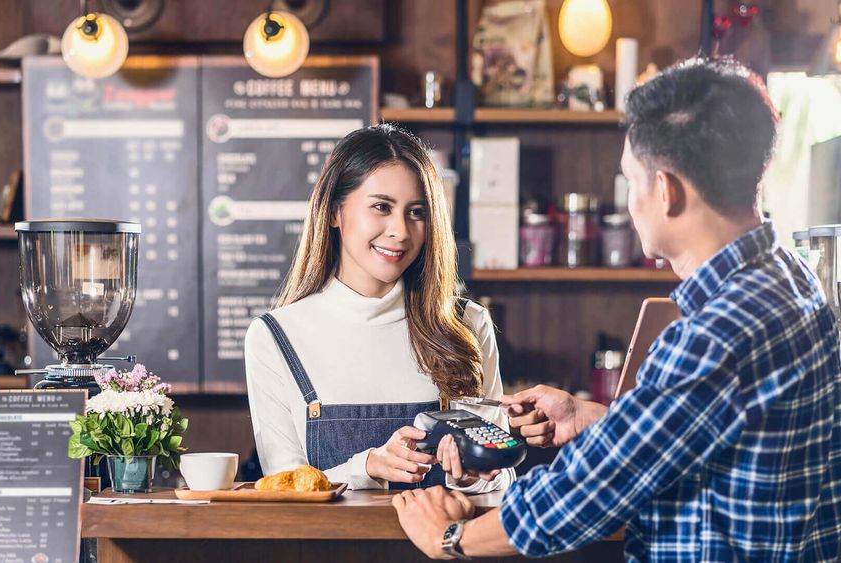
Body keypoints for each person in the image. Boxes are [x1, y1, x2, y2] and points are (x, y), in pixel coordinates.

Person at [393, 57, 841, 561]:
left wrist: (449, 539)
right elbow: (719, 435)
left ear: (666, 191)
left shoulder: (712, 334)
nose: (629, 203)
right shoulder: (795, 279)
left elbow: (586, 493)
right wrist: (595, 417)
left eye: (631, 181)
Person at [244, 124, 513, 492]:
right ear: (335, 212)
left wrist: (468, 478)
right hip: (329, 550)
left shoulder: (466, 324)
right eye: (381, 207)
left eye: (416, 212)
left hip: (441, 547)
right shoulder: (276, 336)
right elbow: (285, 488)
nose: (400, 231)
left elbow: (502, 480)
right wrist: (366, 466)